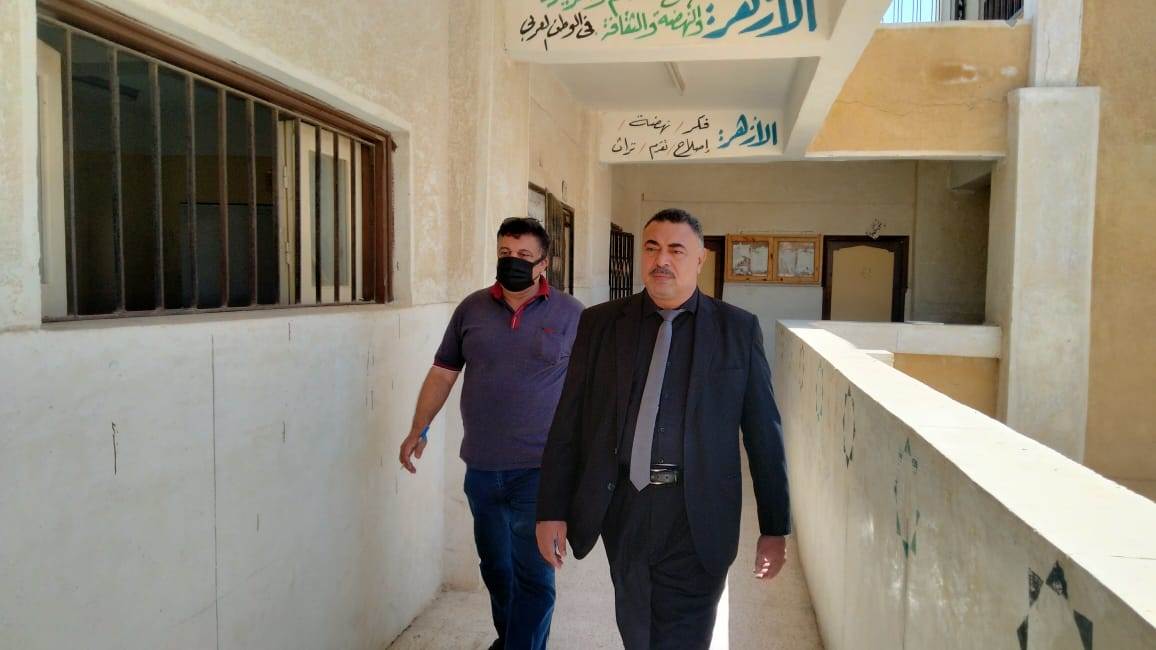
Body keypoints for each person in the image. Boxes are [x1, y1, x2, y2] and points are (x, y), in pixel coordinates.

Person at [535, 208, 791, 649]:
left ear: (700, 259)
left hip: (698, 514)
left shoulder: (737, 330)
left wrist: (774, 527)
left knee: (686, 638)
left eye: (676, 250)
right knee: (637, 633)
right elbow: (568, 421)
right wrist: (550, 509)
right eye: (652, 248)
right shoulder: (600, 324)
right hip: (624, 508)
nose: (661, 260)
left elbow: (763, 433)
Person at [399, 217, 583, 650]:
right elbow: (443, 373)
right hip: (482, 470)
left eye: (523, 255)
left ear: (544, 263)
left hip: (539, 471)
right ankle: (512, 640)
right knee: (497, 571)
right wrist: (418, 428)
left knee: (534, 575)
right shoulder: (472, 309)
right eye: (505, 253)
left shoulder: (571, 313)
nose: (512, 262)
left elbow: (590, 388)